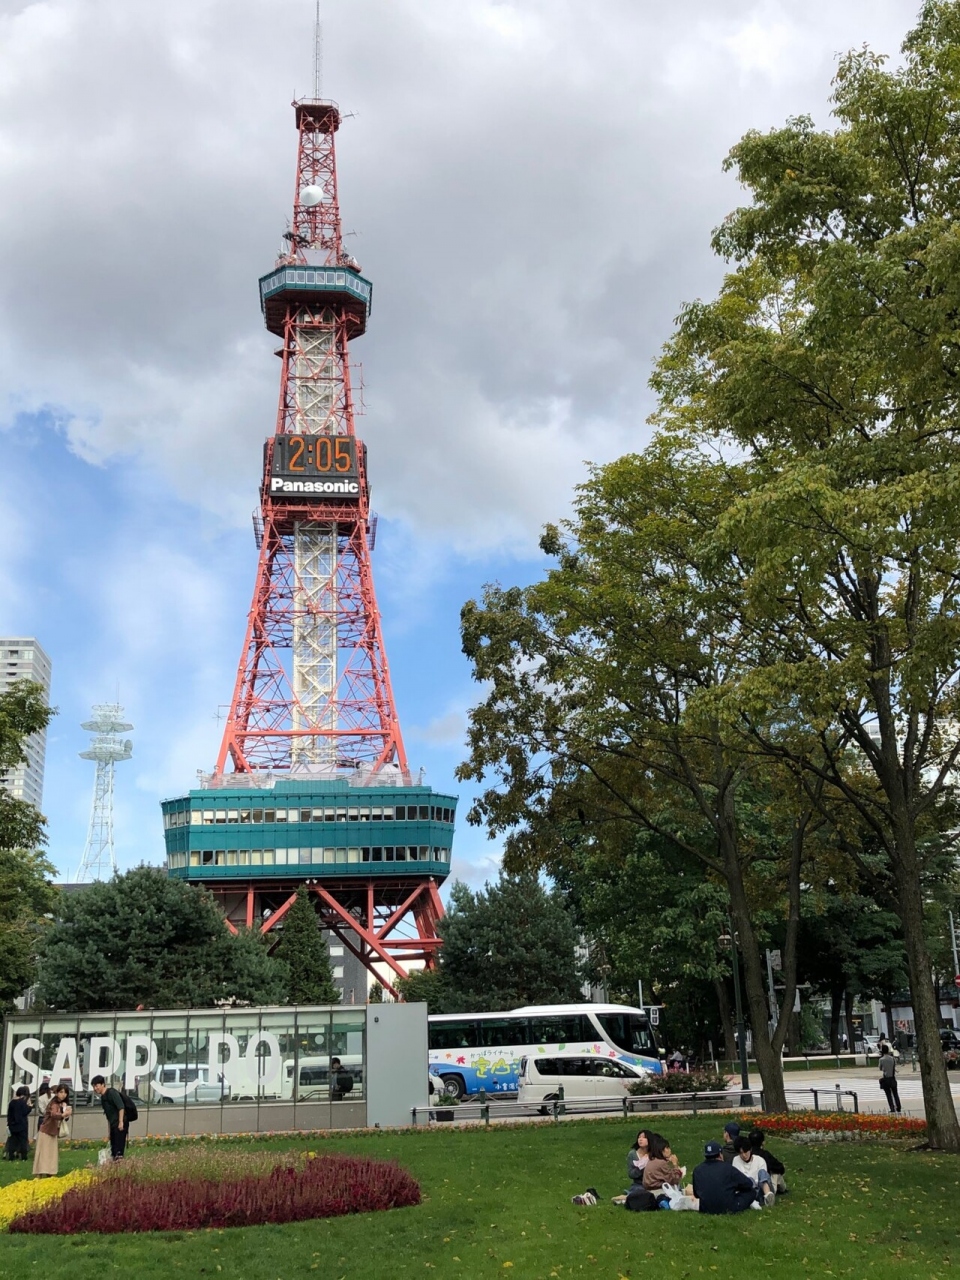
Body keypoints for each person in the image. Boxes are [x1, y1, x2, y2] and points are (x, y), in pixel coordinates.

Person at [692, 1140, 758, 1215]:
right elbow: (748, 1184)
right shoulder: (728, 1168)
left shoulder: (697, 1170)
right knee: (751, 1192)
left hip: (705, 1208)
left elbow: (696, 1194)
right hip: (727, 1207)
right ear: (720, 1155)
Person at [32, 1084, 70, 1177]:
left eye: (65, 1092)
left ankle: (50, 1173)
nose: (63, 1094)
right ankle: (40, 1175)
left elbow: (64, 1118)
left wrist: (66, 1113)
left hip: (52, 1131)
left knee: (51, 1154)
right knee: (44, 1154)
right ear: (57, 1093)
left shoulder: (62, 1104)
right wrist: (63, 1114)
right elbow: (54, 1114)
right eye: (61, 1092)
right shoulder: (54, 1103)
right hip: (46, 1131)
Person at [733, 1135, 776, 1206]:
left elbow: (763, 1178)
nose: (744, 1155)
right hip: (749, 1190)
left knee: (762, 1172)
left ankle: (768, 1196)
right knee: (748, 1180)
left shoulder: (759, 1160)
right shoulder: (736, 1160)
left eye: (745, 1152)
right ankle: (755, 1200)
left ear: (750, 1150)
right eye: (741, 1153)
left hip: (762, 1189)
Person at [91, 1075, 127, 1159]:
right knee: (113, 1149)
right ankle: (115, 1164)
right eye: (94, 1087)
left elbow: (121, 1107)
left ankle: (120, 1164)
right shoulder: (103, 1098)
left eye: (97, 1086)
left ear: (103, 1084)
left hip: (120, 1123)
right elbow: (108, 1115)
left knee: (119, 1149)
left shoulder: (111, 1093)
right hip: (113, 1124)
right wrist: (109, 1131)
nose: (95, 1088)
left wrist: (121, 1122)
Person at [748, 1127, 788, 1194]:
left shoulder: (745, 1154)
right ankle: (782, 1189)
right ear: (763, 1142)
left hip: (749, 1184)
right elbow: (780, 1168)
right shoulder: (765, 1155)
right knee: (776, 1173)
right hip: (764, 1187)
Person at [5, 1086, 33, 1161]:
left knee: (12, 1141)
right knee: (23, 1141)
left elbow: (9, 1114)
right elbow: (25, 1112)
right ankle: (24, 1157)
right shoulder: (22, 1102)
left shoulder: (11, 1102)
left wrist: (9, 1123)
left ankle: (11, 1156)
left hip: (12, 1125)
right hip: (21, 1125)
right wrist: (30, 1107)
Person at [879, 1045, 901, 1113]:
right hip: (892, 1077)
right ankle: (898, 1106)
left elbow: (880, 1068)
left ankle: (892, 1108)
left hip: (886, 1078)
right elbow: (895, 1066)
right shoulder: (892, 1059)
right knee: (895, 1093)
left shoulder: (881, 1059)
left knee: (888, 1094)